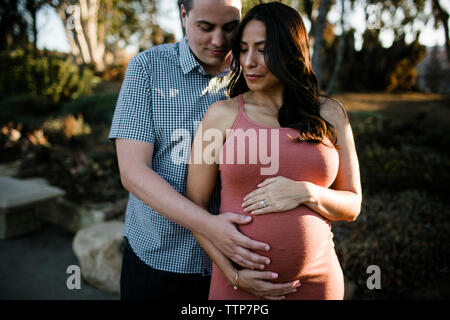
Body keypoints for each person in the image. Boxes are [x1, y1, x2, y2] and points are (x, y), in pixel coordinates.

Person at [109, 0, 298, 300]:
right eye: (206, 28)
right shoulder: (147, 69)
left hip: (239, 266)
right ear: (184, 15)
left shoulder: (254, 71)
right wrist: (210, 227)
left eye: (230, 28)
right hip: (159, 259)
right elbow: (133, 172)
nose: (219, 41)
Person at [186, 2, 362, 300]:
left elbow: (353, 205)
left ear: (290, 51)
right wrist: (233, 274)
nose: (249, 62)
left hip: (318, 283)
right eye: (243, 49)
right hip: (239, 286)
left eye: (262, 49)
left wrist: (306, 192)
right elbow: (195, 207)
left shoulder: (330, 114)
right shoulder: (221, 116)